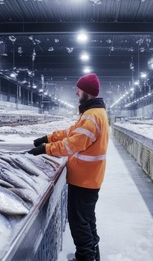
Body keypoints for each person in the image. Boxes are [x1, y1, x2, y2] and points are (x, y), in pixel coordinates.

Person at [28, 73, 109, 261]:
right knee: (87, 220)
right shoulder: (92, 114)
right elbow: (70, 132)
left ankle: (85, 258)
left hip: (84, 179)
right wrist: (48, 137)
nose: (76, 93)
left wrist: (46, 148)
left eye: (78, 90)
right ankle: (92, 254)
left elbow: (72, 144)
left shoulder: (91, 117)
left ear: (87, 92)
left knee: (79, 223)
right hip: (89, 178)